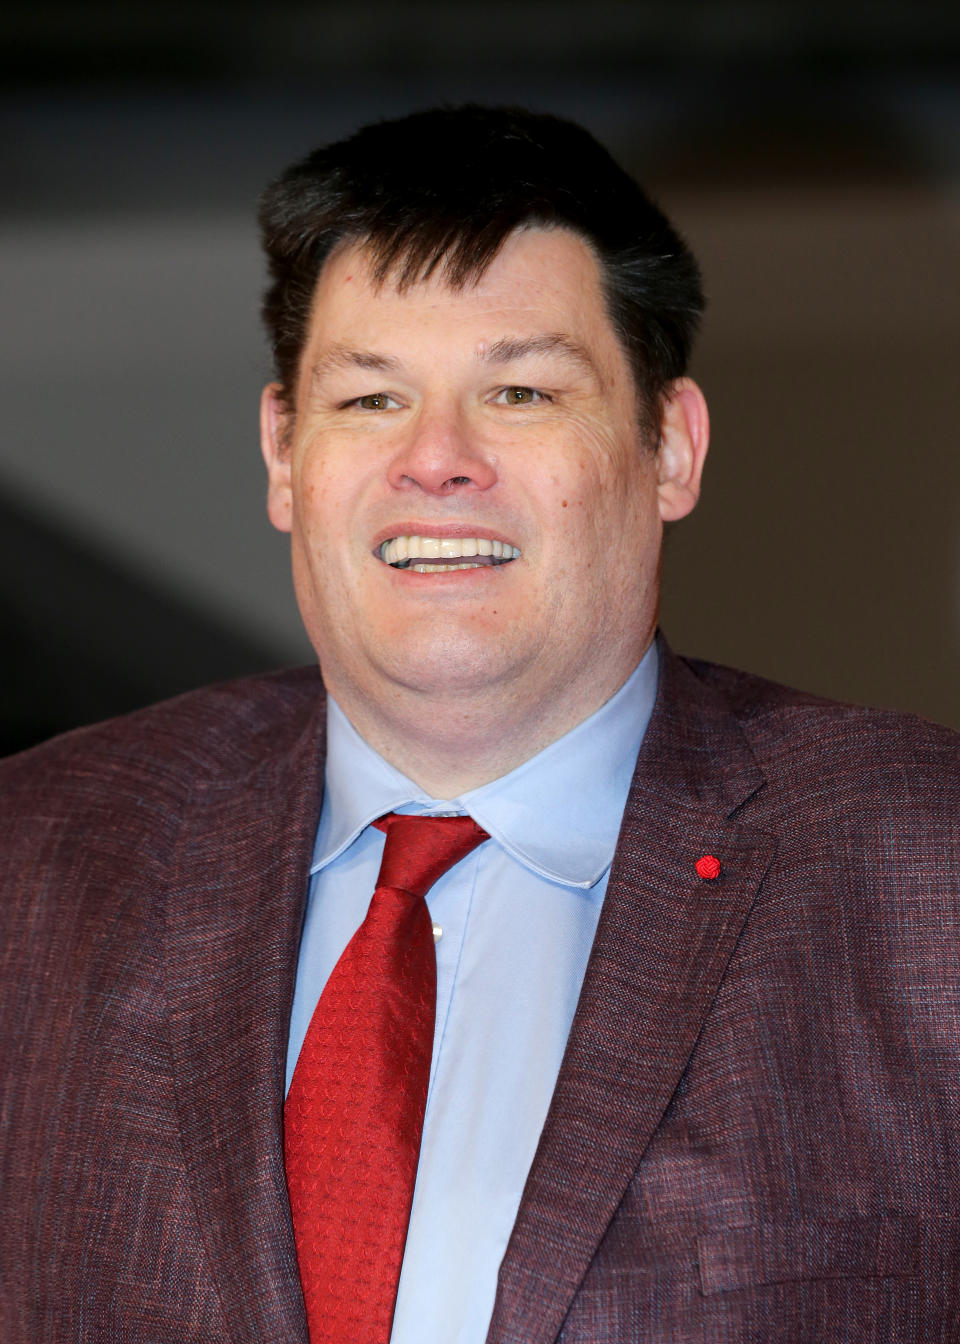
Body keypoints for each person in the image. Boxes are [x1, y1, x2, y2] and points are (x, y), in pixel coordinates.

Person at [1, 105, 958, 1344]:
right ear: (285, 456)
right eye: (368, 401)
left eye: (518, 390)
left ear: (669, 446)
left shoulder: (924, 864)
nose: (436, 460)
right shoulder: (35, 865)